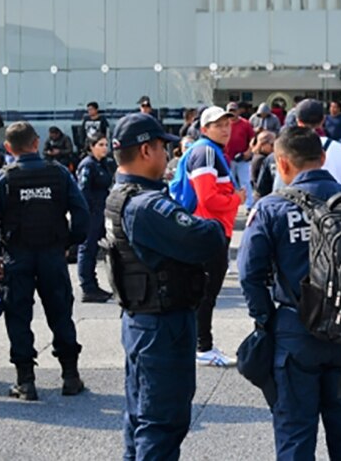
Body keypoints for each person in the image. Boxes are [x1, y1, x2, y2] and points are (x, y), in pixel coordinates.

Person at [238, 126, 341, 459]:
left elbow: (250, 274)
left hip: (294, 330)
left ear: (281, 164)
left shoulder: (271, 208)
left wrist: (265, 321)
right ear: (323, 158)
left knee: (295, 437)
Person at [104, 113, 226, 460]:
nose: (167, 155)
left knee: (142, 420)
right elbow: (206, 239)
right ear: (146, 150)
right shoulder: (147, 205)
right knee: (161, 425)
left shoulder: (123, 195)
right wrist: (214, 221)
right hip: (162, 325)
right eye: (162, 147)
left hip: (143, 321)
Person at [0, 121, 90, 401]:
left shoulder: (3, 178)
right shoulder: (59, 173)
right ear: (37, 143)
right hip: (52, 254)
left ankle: (25, 382)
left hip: (18, 256)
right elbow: (82, 213)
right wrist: (69, 243)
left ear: (8, 148)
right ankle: (70, 377)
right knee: (60, 312)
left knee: (18, 316)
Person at [175, 106, 244, 367]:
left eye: (228, 123)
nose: (226, 128)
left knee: (202, 293)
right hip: (209, 231)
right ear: (205, 129)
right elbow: (208, 198)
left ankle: (197, 344)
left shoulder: (208, 151)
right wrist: (236, 199)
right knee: (206, 293)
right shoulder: (206, 153)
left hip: (206, 230)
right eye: (219, 125)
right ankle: (203, 347)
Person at [274, 99, 341, 191]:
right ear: (323, 119)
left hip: (295, 202)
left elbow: (279, 188)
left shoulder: (289, 149)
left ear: (298, 121)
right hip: (337, 202)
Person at [76, 134, 114, 303]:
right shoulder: (88, 165)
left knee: (96, 250)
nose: (105, 148)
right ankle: (87, 286)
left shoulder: (103, 164)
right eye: (100, 144)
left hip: (101, 211)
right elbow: (83, 191)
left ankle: (94, 284)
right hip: (91, 212)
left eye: (106, 144)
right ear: (91, 146)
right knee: (87, 248)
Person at [224, 102, 256, 209]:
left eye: (234, 111)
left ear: (238, 111)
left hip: (242, 157)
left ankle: (249, 205)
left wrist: (249, 151)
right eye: (230, 111)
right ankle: (231, 204)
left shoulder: (245, 123)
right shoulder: (225, 123)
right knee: (229, 183)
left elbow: (252, 139)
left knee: (245, 182)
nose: (232, 113)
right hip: (228, 157)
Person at [249, 130, 276, 203]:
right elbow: (259, 181)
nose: (274, 147)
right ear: (263, 144)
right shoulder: (261, 159)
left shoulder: (259, 156)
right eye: (272, 144)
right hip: (263, 196)